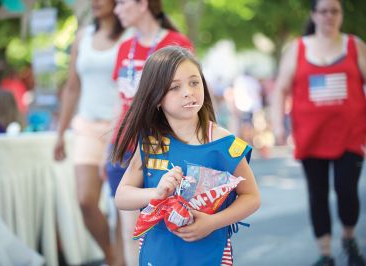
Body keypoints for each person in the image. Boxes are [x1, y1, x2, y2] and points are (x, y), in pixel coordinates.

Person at [111, 46, 261, 265]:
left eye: (194, 82)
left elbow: (252, 197)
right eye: (175, 87)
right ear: (156, 98)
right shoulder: (152, 143)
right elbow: (122, 197)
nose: (188, 91)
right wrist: (157, 192)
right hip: (159, 255)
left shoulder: (224, 143)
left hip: (211, 255)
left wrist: (212, 222)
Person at [272, 0, 366, 265]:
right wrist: (278, 125)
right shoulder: (297, 49)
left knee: (346, 189)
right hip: (311, 136)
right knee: (318, 193)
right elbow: (280, 88)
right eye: (323, 11)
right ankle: (325, 254)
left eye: (334, 11)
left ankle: (349, 239)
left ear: (341, 15)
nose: (329, 16)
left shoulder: (354, 46)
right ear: (314, 15)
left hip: (350, 134)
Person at [106, 1, 193, 264]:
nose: (116, 9)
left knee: (170, 227)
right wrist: (108, 151)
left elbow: (191, 100)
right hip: (124, 146)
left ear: (142, 4)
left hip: (162, 145)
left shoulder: (176, 42)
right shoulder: (123, 48)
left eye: (121, 3)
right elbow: (117, 102)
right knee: (131, 232)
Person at [53, 0, 125, 265]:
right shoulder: (82, 36)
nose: (94, 2)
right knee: (85, 200)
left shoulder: (129, 34)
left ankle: (123, 256)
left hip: (120, 129)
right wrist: (60, 133)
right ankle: (113, 257)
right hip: (86, 127)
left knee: (121, 205)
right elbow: (72, 87)